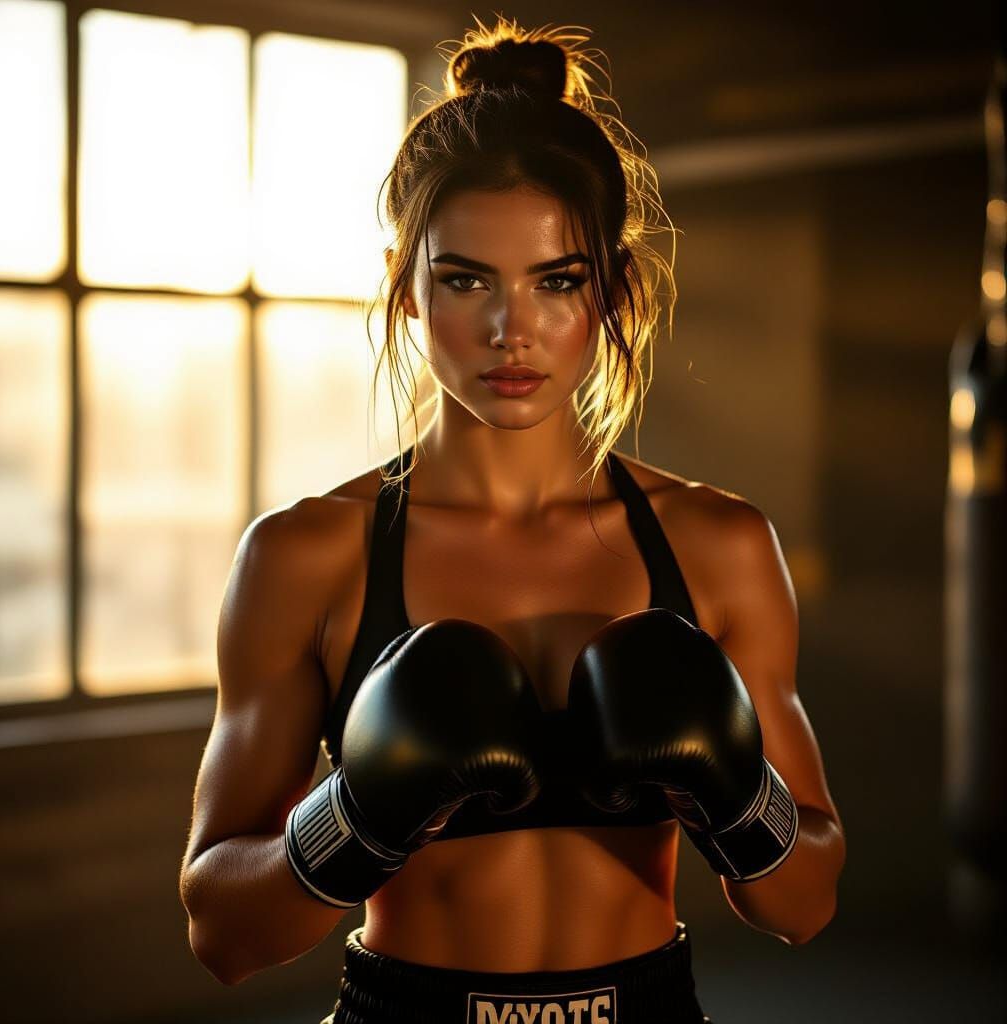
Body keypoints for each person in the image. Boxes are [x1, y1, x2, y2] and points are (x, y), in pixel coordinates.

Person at [178, 15, 846, 1024]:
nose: (509, 329)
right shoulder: (307, 555)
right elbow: (222, 933)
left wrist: (732, 790)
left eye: (556, 281)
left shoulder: (717, 545)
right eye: (465, 280)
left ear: (614, 288)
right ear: (406, 288)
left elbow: (803, 903)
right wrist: (355, 820)